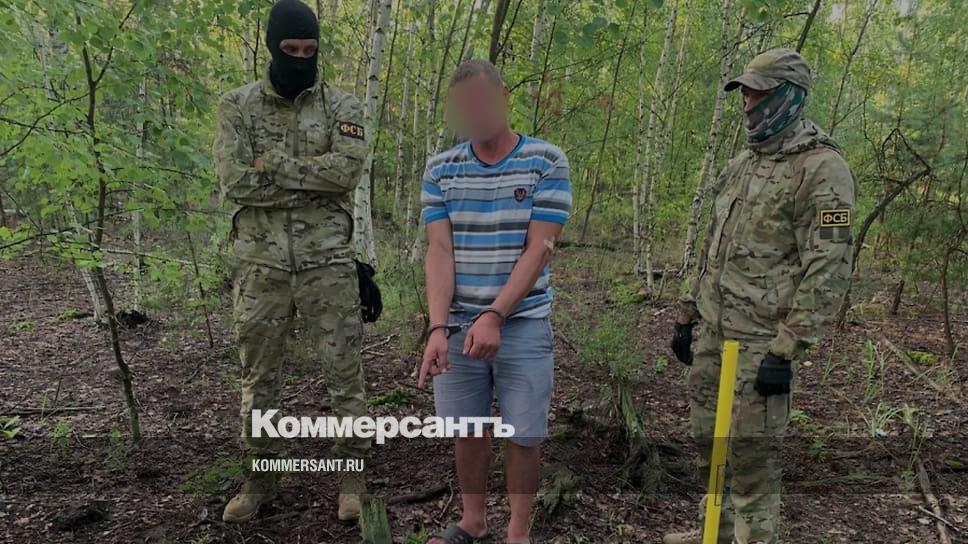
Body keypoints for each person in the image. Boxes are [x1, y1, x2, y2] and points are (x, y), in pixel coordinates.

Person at [665, 48, 857, 544]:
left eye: (758, 94)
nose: (748, 104)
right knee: (709, 443)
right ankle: (716, 531)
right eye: (745, 93)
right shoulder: (741, 165)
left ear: (788, 96)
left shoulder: (822, 170)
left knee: (752, 460)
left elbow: (830, 265)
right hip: (715, 331)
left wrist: (787, 348)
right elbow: (712, 245)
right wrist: (687, 313)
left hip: (762, 342)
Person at [212, 0, 371, 524]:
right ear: (271, 46)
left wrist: (275, 165)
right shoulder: (237, 106)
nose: (301, 58)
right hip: (260, 266)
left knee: (344, 371)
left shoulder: (342, 105)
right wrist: (312, 181)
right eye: (291, 49)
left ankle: (352, 476)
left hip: (328, 262)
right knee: (259, 377)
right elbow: (235, 181)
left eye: (310, 50)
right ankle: (261, 477)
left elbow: (346, 174)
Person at [417, 59, 572, 544]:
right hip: (458, 324)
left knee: (523, 431)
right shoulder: (441, 169)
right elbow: (440, 250)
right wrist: (437, 327)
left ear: (504, 96)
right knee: (467, 427)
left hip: (522, 321)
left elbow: (539, 249)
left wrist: (495, 315)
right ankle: (473, 521)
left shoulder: (546, 161)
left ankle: (517, 532)